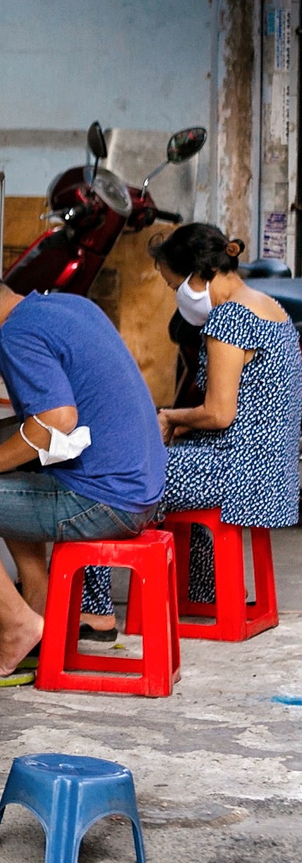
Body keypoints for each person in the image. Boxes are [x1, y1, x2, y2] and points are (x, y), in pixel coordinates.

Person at [0, 255, 165, 676]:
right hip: (142, 491)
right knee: (22, 473)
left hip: (103, 501)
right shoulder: (68, 305)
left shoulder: (15, 335)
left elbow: (57, 419)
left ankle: (15, 620)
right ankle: (37, 602)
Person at [77, 225, 301, 619]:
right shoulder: (271, 307)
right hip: (273, 474)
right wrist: (179, 423)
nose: (174, 294)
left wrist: (169, 417)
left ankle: (94, 612)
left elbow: (219, 413)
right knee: (175, 460)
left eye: (172, 284)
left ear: (199, 275)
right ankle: (206, 590)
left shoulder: (229, 319)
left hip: (238, 472)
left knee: (111, 480)